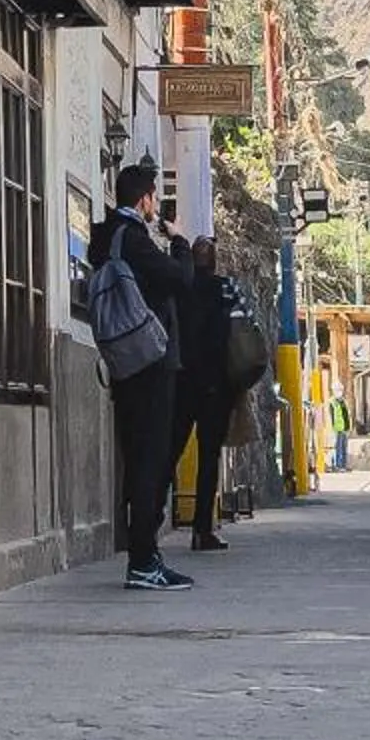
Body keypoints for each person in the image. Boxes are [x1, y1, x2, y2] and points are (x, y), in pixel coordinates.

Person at [89, 163, 192, 591]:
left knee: (136, 457)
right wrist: (180, 240)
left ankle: (143, 554)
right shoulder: (134, 239)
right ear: (145, 199)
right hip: (151, 360)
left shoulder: (104, 237)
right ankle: (144, 559)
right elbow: (181, 279)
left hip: (123, 360)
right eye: (153, 199)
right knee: (152, 457)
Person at [169, 235, 236, 553]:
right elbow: (237, 332)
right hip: (215, 385)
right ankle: (201, 530)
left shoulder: (178, 288)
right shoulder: (225, 288)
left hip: (181, 380)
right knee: (209, 458)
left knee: (169, 453)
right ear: (215, 260)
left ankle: (147, 520)